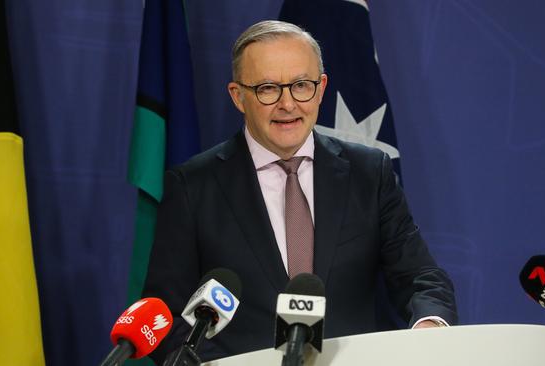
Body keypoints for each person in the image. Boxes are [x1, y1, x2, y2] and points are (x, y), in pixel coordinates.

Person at [142, 20, 457, 364]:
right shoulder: (193, 186)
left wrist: (430, 324)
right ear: (238, 96)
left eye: (301, 85)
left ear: (321, 88)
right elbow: (166, 315)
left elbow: (420, 277)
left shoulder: (369, 173)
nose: (288, 104)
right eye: (267, 88)